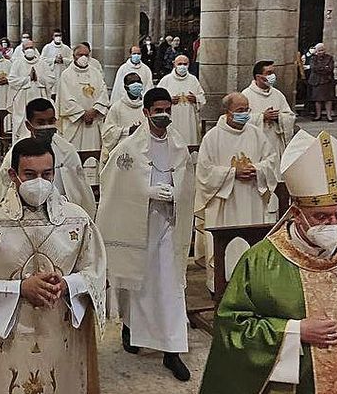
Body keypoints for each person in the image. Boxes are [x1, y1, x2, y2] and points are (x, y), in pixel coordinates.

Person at [198, 129, 337, 394]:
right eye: (321, 217)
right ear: (296, 213)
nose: (333, 225)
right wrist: (295, 332)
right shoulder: (261, 261)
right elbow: (233, 327)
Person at [0, 138, 106, 394]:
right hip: (6, 340)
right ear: (13, 175)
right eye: (29, 174)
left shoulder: (78, 220)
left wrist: (68, 284)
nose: (39, 182)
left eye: (47, 174)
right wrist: (20, 289)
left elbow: (95, 273)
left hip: (59, 335)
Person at [96, 87, 195, 382]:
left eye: (167, 109)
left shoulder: (178, 146)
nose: (163, 115)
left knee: (169, 286)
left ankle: (172, 351)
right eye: (158, 110)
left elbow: (188, 184)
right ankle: (131, 327)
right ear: (147, 112)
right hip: (139, 224)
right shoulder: (129, 148)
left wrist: (176, 194)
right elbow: (111, 183)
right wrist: (146, 192)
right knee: (137, 281)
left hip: (168, 225)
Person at [194, 93, 277, 293]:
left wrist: (257, 169)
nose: (245, 114)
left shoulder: (256, 133)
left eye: (247, 109)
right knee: (227, 247)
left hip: (251, 199)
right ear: (227, 112)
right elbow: (204, 172)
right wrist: (232, 173)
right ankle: (222, 285)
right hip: (224, 205)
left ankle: (253, 284)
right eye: (240, 110)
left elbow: (272, 160)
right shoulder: (213, 137)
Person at [0, 98, 97, 218]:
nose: (47, 127)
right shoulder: (16, 153)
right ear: (28, 125)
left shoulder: (67, 150)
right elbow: (4, 192)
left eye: (51, 121)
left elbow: (79, 189)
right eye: (41, 123)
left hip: (61, 212)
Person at [242, 60, 297, 220]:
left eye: (273, 72)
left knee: (276, 179)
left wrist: (279, 117)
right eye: (268, 73)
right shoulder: (246, 95)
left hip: (275, 143)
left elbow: (290, 116)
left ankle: (278, 212)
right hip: (256, 147)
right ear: (258, 77)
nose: (272, 76)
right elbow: (241, 119)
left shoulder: (277, 94)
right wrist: (261, 117)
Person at [56, 45, 110, 153]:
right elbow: (65, 99)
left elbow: (103, 93)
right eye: (80, 55)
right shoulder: (66, 75)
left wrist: (94, 110)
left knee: (93, 157)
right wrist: (82, 114)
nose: (83, 57)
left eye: (86, 55)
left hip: (94, 121)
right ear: (73, 56)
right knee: (73, 156)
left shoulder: (96, 73)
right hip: (74, 123)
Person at [8, 40, 56, 141]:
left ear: (35, 49)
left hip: (40, 97)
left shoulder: (42, 63)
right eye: (27, 48)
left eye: (31, 48)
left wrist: (39, 78)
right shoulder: (17, 63)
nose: (29, 50)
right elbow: (12, 80)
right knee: (23, 127)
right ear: (23, 50)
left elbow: (51, 79)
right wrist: (27, 79)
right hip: (22, 100)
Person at [157, 55, 206, 145]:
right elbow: (156, 99)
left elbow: (202, 98)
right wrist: (168, 101)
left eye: (185, 64)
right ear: (174, 64)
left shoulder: (193, 80)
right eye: (179, 64)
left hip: (189, 119)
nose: (182, 66)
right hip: (172, 119)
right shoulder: (166, 80)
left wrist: (196, 99)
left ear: (188, 65)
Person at [100, 72, 145, 165]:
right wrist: (128, 130)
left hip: (143, 150)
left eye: (138, 81)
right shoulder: (117, 107)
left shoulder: (147, 106)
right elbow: (107, 133)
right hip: (122, 151)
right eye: (132, 82)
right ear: (126, 87)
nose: (136, 85)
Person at [307, 43, 336, 122]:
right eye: (319, 51)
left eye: (322, 50)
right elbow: (314, 68)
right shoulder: (313, 58)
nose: (320, 52)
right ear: (316, 51)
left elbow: (330, 69)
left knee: (328, 99)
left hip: (327, 80)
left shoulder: (329, 58)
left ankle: (329, 116)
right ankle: (318, 115)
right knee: (317, 99)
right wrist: (324, 68)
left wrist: (321, 68)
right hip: (316, 81)